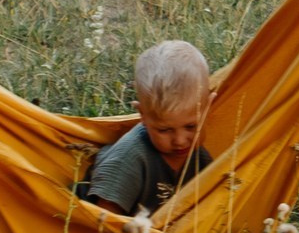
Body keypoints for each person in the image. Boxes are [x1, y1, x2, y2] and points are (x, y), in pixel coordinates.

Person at [80, 41, 214, 218]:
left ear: (209, 107)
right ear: (143, 116)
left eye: (191, 126)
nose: (180, 140)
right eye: (164, 130)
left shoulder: (199, 157)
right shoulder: (129, 159)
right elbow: (105, 222)